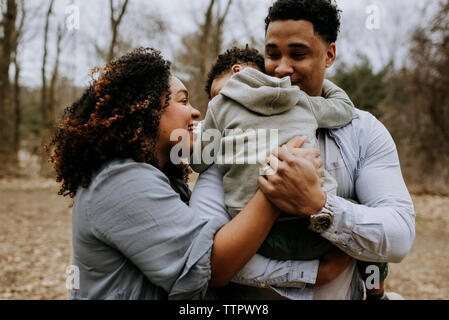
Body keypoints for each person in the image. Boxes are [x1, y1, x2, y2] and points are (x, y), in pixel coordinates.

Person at [46, 47, 334, 300]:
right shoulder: (119, 181)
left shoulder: (165, 181)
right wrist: (277, 183)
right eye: (183, 101)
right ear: (144, 109)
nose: (196, 112)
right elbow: (210, 268)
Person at [190, 0, 415, 300]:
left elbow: (398, 236)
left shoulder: (364, 131)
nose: (282, 69)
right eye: (272, 54)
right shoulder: (234, 125)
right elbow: (205, 263)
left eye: (298, 54)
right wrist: (309, 274)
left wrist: (319, 205)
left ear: (329, 55)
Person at [191, 45, 354, 262]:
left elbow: (199, 162)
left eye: (214, 93)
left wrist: (196, 136)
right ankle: (376, 291)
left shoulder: (219, 106)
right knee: (361, 220)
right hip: (312, 221)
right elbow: (344, 108)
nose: (213, 101)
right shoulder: (299, 99)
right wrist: (315, 78)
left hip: (253, 232)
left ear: (237, 71)